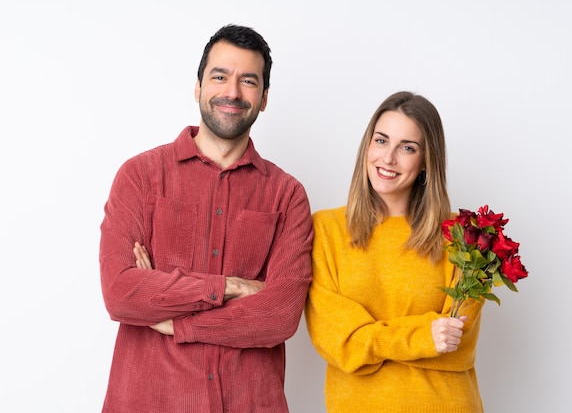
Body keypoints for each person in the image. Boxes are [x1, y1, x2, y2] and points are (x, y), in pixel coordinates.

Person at [99, 24, 313, 413]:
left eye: (248, 81)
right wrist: (231, 286)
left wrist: (176, 319)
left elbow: (280, 316)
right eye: (220, 76)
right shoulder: (140, 176)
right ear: (198, 87)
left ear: (264, 98)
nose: (232, 92)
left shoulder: (288, 195)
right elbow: (121, 293)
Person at [304, 91, 484, 412]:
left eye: (407, 148)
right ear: (367, 146)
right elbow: (340, 342)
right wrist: (423, 337)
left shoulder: (463, 236)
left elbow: (457, 344)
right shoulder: (326, 230)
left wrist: (375, 341)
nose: (388, 158)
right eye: (382, 141)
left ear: (427, 160)